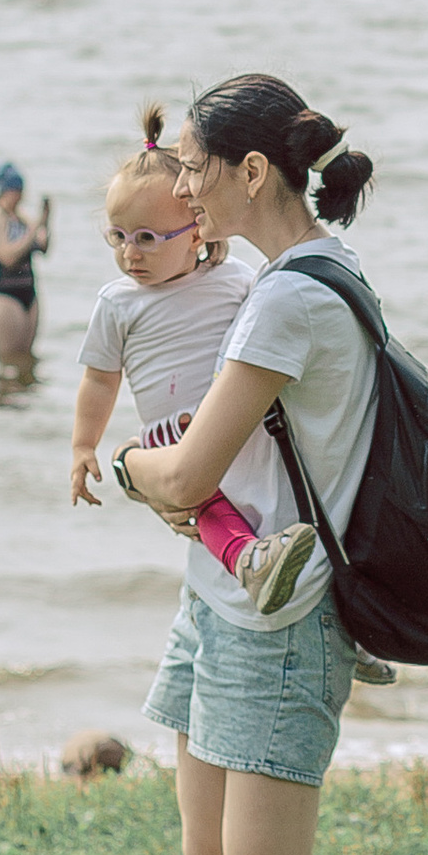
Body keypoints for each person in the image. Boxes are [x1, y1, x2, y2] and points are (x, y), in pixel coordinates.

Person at [104, 72, 428, 855]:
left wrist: (123, 467)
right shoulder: (282, 279)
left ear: (253, 174)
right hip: (220, 601)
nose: (181, 184)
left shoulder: (290, 300)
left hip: (281, 625)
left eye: (195, 166)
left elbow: (188, 474)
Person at [69, 110, 315, 614]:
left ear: (196, 233)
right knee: (203, 501)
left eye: (147, 238)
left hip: (236, 422)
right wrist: (83, 445)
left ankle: (352, 612)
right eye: (118, 236)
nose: (129, 254)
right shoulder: (118, 303)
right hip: (170, 432)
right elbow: (99, 380)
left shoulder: (236, 280)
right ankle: (246, 559)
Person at [0, 164, 52, 373]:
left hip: (29, 291)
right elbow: (8, 257)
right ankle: (4, 401)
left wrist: (46, 221)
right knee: (8, 360)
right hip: (7, 294)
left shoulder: (21, 218)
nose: (19, 197)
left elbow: (43, 247)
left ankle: (26, 403)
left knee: (28, 360)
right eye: (15, 191)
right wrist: (34, 228)